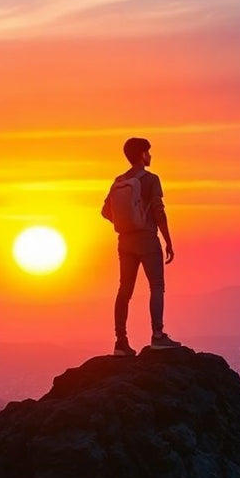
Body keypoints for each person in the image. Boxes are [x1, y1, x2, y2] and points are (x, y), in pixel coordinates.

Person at [101, 137, 182, 356]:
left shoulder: (119, 180)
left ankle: (121, 342)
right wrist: (168, 240)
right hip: (147, 239)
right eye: (149, 152)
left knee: (124, 290)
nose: (151, 156)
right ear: (142, 155)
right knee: (156, 286)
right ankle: (158, 336)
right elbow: (158, 211)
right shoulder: (151, 179)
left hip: (124, 241)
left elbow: (105, 212)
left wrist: (126, 223)